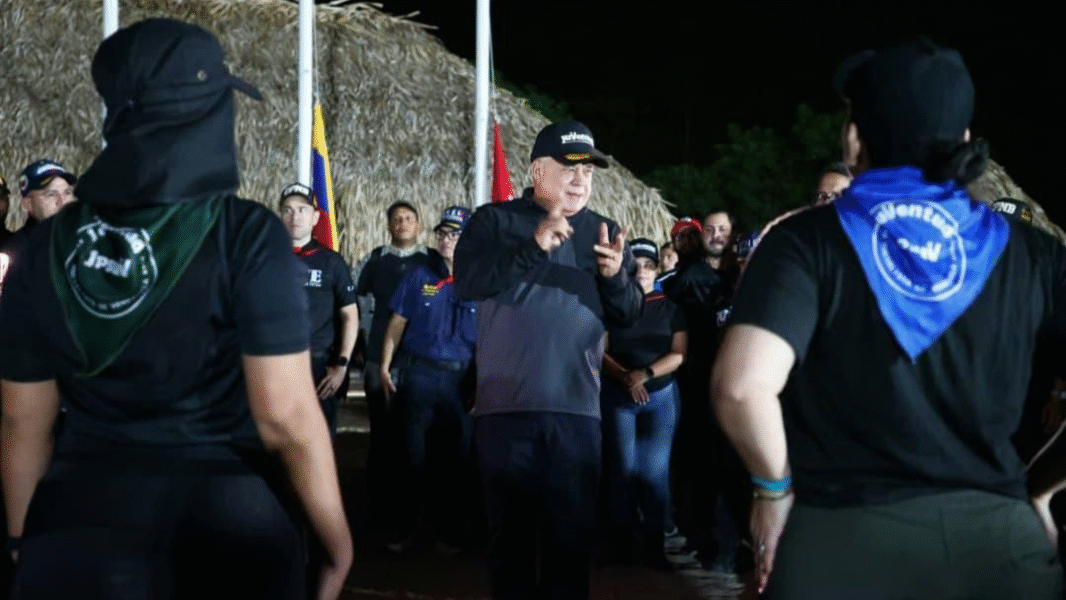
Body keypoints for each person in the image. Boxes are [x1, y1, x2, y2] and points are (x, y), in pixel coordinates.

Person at [0, 19, 352, 599]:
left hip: (81, 520)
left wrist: (24, 542)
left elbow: (22, 423)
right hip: (225, 527)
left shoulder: (44, 248)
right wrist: (335, 543)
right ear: (207, 113)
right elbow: (284, 417)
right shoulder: (246, 234)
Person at [713, 37, 1065, 599]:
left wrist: (772, 492)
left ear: (854, 138)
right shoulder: (1036, 254)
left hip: (840, 545)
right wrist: (1036, 490)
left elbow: (740, 388)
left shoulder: (805, 241)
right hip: (997, 553)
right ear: (965, 140)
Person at [454, 119, 641, 600]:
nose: (581, 180)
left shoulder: (604, 232)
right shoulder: (494, 222)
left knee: (570, 547)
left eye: (588, 171)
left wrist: (616, 279)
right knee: (509, 547)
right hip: (505, 412)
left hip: (576, 415)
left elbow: (627, 317)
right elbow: (470, 283)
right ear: (538, 170)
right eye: (569, 168)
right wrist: (534, 245)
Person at [380, 205, 477, 556]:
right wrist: (384, 365)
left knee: (457, 461)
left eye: (454, 234)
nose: (446, 239)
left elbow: (494, 340)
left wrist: (484, 385)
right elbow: (396, 323)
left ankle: (451, 533)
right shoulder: (418, 277)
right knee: (410, 457)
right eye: (442, 233)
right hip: (419, 376)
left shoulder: (482, 284)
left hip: (462, 381)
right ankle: (405, 528)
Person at [353, 200, 439, 538]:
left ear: (418, 224)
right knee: (382, 436)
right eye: (396, 219)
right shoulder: (375, 260)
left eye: (408, 218)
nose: (402, 223)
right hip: (379, 358)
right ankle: (379, 508)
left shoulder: (433, 261)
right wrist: (363, 344)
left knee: (421, 435)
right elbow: (358, 304)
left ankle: (420, 510)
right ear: (388, 226)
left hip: (420, 360)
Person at [600, 238, 686, 571]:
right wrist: (625, 377)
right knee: (622, 470)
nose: (643, 272)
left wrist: (644, 375)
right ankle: (620, 546)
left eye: (649, 266)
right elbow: (599, 350)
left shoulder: (671, 308)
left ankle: (654, 546)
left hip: (659, 396)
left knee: (654, 471)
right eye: (636, 266)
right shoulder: (612, 304)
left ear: (657, 270)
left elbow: (679, 353)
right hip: (620, 395)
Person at [280, 182, 359, 435]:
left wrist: (341, 365)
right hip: (275, 363)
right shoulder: (266, 259)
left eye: (302, 209)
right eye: (288, 210)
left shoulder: (332, 263)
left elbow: (350, 316)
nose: (295, 216)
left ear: (315, 218)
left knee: (317, 440)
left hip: (318, 366)